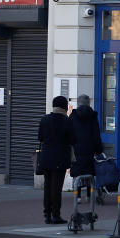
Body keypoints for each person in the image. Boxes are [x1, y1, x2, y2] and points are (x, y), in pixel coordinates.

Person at [37, 96, 76, 224]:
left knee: (47, 186)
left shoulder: (45, 119)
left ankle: (46, 214)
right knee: (56, 188)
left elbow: (40, 138)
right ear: (65, 107)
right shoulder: (67, 121)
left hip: (46, 157)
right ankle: (56, 215)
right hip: (60, 157)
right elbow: (73, 139)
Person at [69, 94, 104, 180]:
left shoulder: (73, 116)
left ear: (78, 103)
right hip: (89, 151)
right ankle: (89, 191)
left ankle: (76, 191)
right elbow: (96, 135)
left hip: (76, 151)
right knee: (89, 175)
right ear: (88, 103)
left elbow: (68, 134)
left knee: (77, 175)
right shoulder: (93, 116)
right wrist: (98, 150)